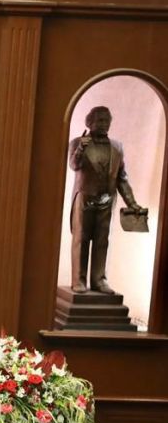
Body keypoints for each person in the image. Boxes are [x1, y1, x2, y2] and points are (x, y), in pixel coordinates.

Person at [69, 106, 147, 294]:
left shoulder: (117, 147)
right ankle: (78, 280)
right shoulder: (78, 142)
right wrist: (81, 149)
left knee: (102, 241)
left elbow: (122, 178)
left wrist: (132, 203)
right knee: (81, 239)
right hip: (85, 197)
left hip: (107, 200)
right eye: (100, 120)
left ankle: (99, 280)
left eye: (107, 120)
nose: (105, 124)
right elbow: (74, 165)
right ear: (90, 122)